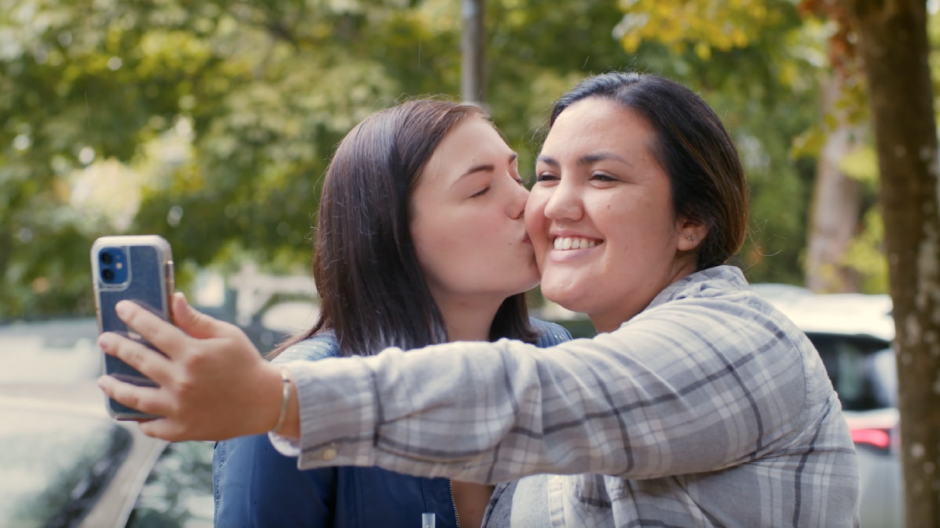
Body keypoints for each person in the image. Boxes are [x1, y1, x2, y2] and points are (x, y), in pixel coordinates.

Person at [97, 72, 861, 526]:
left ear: (692, 220)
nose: (540, 204)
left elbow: (532, 402)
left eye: (601, 178)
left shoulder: (735, 344)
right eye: (548, 174)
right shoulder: (299, 388)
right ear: (392, 229)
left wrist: (275, 398)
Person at [213, 100, 572, 528]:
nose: (530, 203)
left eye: (519, 177)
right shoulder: (284, 402)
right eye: (480, 189)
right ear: (393, 232)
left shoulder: (556, 357)